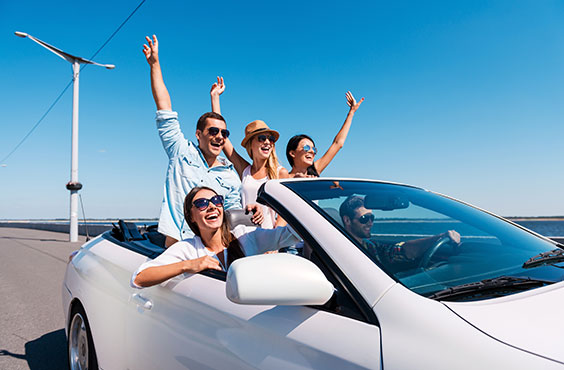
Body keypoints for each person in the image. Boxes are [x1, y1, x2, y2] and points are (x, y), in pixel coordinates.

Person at [143, 35, 262, 247]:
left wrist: (250, 210)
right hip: (179, 245)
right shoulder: (181, 151)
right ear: (198, 134)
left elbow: (232, 213)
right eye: (213, 131)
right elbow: (164, 108)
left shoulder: (229, 173)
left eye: (224, 134)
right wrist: (155, 64)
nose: (219, 137)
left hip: (214, 250)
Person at [131, 186, 300, 288]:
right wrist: (188, 265)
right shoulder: (188, 249)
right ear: (191, 217)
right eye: (202, 204)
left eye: (217, 201)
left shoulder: (245, 236)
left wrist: (271, 205)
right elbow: (139, 278)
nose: (212, 206)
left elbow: (292, 235)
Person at [210, 77, 288, 228]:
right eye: (261, 138)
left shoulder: (280, 172)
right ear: (250, 144)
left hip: (270, 244)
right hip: (245, 240)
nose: (267, 142)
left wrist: (274, 243)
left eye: (270, 139)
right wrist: (215, 98)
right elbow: (224, 140)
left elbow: (286, 213)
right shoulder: (245, 170)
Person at [339, 195, 460, 268]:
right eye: (364, 218)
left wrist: (439, 237)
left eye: (372, 218)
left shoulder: (371, 246)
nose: (370, 223)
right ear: (347, 220)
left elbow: (401, 251)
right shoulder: (338, 250)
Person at [286, 92, 364, 177]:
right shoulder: (282, 178)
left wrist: (351, 112)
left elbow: (338, 144)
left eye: (314, 149)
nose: (312, 152)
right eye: (306, 148)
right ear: (292, 153)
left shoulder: (314, 171)